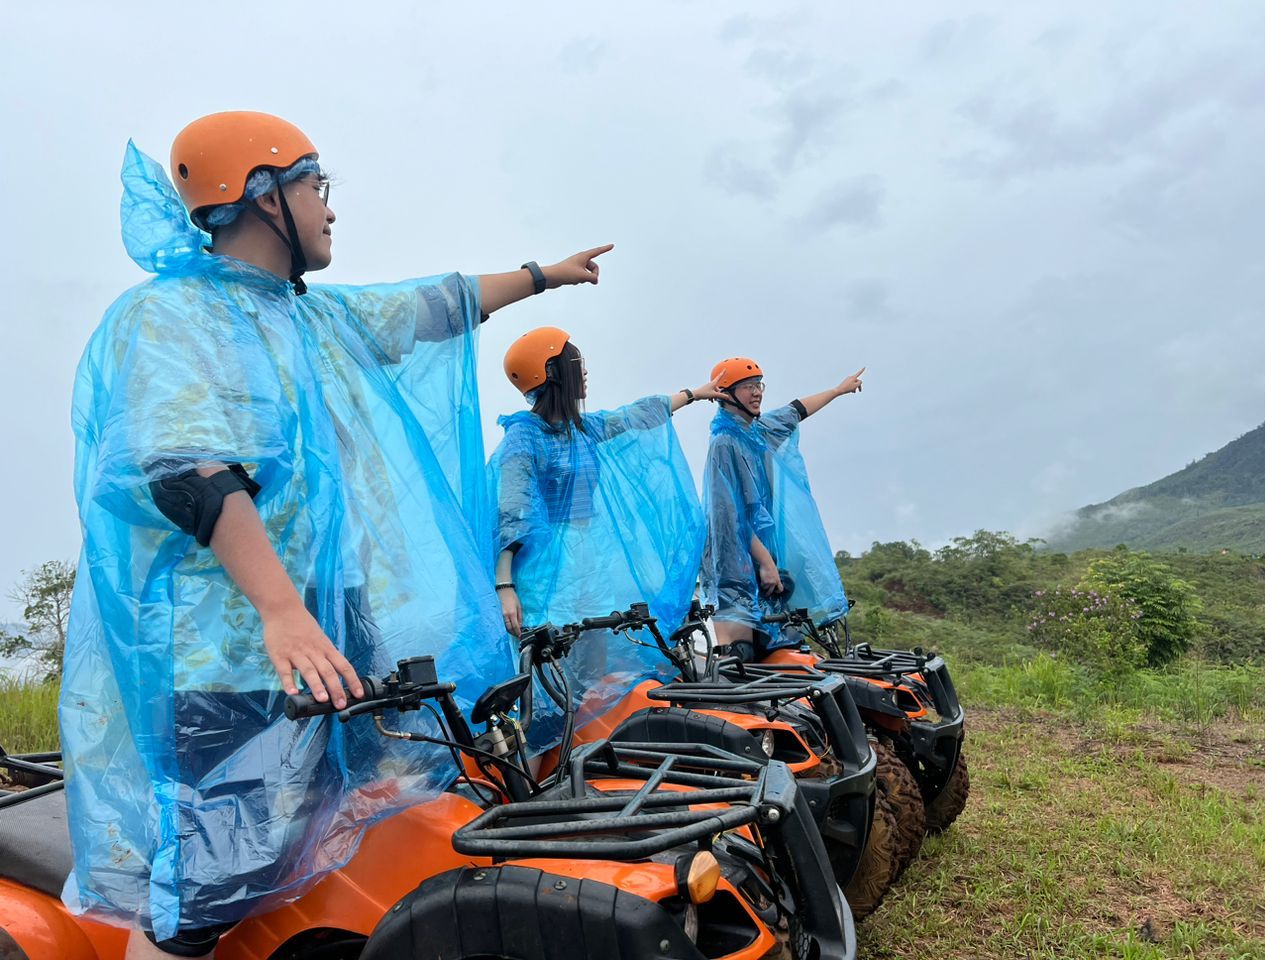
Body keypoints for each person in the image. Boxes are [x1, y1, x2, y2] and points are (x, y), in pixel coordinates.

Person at [63, 110, 613, 959]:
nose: (329, 207)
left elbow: (433, 305)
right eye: (316, 186)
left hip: (331, 630)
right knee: (203, 901)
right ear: (257, 192)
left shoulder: (314, 320)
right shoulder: (171, 317)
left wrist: (544, 275)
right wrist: (280, 609)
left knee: (350, 823)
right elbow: (189, 469)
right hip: (229, 652)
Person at [487, 327, 723, 750]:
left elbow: (635, 415)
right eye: (577, 361)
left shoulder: (584, 429)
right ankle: (545, 763)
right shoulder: (523, 439)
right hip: (543, 573)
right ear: (553, 372)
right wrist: (504, 585)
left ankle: (585, 752)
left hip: (586, 565)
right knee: (552, 671)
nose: (585, 370)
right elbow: (512, 514)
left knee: (592, 666)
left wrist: (695, 394)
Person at [700, 356, 865, 660]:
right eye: (747, 387)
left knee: (779, 649)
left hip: (764, 557)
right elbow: (728, 517)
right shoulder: (724, 443)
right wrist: (765, 562)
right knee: (740, 659)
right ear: (726, 395)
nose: (757, 392)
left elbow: (797, 409)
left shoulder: (758, 431)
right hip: (733, 564)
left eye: (758, 385)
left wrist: (838, 390)